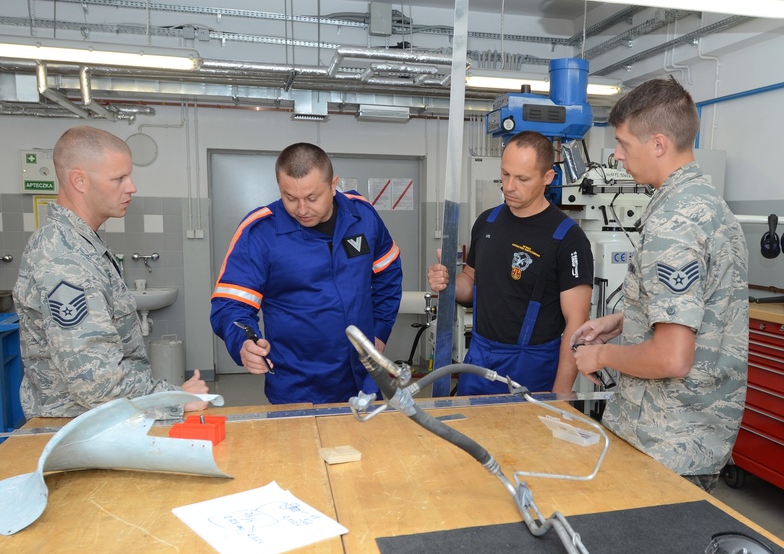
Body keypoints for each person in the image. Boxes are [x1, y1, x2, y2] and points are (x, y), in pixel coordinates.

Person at [570, 78, 748, 492]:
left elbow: (672, 358)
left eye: (623, 143)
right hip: (697, 434)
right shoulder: (709, 205)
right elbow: (696, 309)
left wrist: (600, 356)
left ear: (658, 144)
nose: (616, 155)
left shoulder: (674, 223)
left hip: (665, 442)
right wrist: (624, 319)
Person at [13, 126, 208, 418]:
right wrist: (174, 399)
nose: (132, 187)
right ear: (79, 180)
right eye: (119, 178)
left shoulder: (80, 244)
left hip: (95, 422)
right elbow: (96, 382)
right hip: (77, 428)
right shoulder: (66, 259)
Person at [210, 142, 402, 404]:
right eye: (290, 198)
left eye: (312, 198)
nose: (301, 209)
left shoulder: (362, 217)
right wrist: (243, 342)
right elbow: (230, 306)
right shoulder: (259, 233)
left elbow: (388, 275)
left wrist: (379, 333)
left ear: (333, 185)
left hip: (365, 378)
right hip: (298, 385)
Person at [426, 130, 594, 395]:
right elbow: (470, 283)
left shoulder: (568, 239)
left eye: (522, 178)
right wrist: (447, 284)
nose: (509, 186)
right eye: (505, 174)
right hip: (480, 358)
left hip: (533, 367)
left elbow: (577, 324)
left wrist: (560, 395)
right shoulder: (487, 221)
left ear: (547, 178)